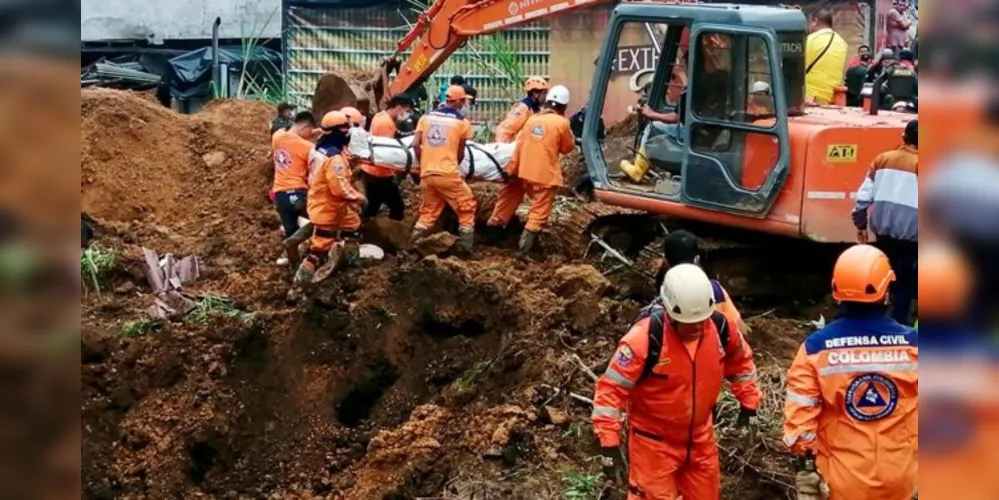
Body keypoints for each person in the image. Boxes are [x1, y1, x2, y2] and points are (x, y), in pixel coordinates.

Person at [592, 264, 761, 500]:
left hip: (701, 439)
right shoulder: (644, 339)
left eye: (701, 321)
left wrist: (749, 402)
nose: (697, 327)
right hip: (653, 443)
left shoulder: (721, 328)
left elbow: (742, 363)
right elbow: (611, 390)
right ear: (670, 312)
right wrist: (608, 442)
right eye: (690, 323)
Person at [783, 244, 918, 500]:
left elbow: (800, 420)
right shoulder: (916, 344)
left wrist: (806, 467)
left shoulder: (815, 348)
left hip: (842, 482)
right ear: (886, 292)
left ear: (836, 291)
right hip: (901, 478)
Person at [486, 85, 575, 259]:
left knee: (509, 197)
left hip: (522, 171)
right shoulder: (562, 123)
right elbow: (567, 148)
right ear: (563, 107)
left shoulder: (531, 120)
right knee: (538, 211)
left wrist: (511, 170)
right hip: (544, 176)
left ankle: (492, 232)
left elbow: (518, 147)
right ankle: (524, 250)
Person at [289, 111, 365, 299]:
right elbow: (339, 187)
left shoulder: (319, 149)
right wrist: (358, 197)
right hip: (328, 208)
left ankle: (353, 274)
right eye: (346, 129)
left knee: (353, 228)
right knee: (318, 250)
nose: (348, 133)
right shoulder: (334, 158)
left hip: (327, 203)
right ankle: (297, 289)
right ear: (339, 132)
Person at [852, 119, 917, 325]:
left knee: (884, 277)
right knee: (906, 281)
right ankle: (898, 325)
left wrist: (860, 224)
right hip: (913, 237)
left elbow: (862, 198)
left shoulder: (882, 160)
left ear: (903, 138)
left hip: (883, 233)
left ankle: (876, 320)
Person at [411, 85, 476, 254]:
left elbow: (415, 144)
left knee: (428, 213)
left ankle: (412, 245)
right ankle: (465, 249)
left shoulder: (425, 118)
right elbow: (460, 154)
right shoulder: (462, 123)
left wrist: (424, 164)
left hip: (427, 175)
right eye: (464, 101)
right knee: (467, 206)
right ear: (460, 101)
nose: (465, 104)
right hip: (447, 174)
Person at [652, 230, 751, 337]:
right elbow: (741, 330)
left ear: (666, 261)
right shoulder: (716, 291)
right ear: (696, 259)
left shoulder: (663, 299)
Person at [271, 111, 317, 266]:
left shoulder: (277, 137)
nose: (310, 135)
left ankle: (291, 261)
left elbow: (288, 131)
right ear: (306, 127)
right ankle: (313, 256)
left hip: (280, 196)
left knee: (290, 230)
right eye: (310, 131)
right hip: (298, 194)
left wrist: (316, 130)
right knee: (321, 221)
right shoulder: (308, 147)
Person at [360, 95, 414, 222]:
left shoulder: (381, 116)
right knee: (397, 207)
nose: (407, 115)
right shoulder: (386, 123)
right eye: (407, 111)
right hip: (380, 174)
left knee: (373, 206)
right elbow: (386, 151)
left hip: (372, 171)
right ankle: (392, 233)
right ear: (399, 107)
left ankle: (363, 231)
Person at [805, 9, 848, 105]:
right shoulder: (842, 42)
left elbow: (798, 68)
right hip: (833, 98)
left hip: (810, 98)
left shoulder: (811, 39)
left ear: (815, 21)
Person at [495, 76, 549, 143]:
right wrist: (503, 148)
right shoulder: (523, 108)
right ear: (535, 93)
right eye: (544, 93)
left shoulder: (536, 109)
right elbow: (505, 129)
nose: (546, 97)